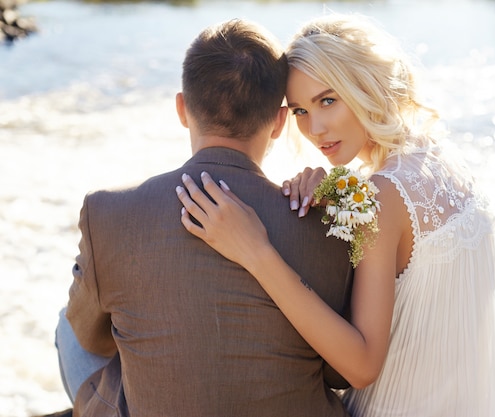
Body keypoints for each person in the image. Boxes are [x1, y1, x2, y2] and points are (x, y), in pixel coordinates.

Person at [176, 13, 495, 417]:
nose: (315, 128)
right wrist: (342, 192)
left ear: (364, 86)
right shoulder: (444, 160)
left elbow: (361, 366)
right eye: (299, 111)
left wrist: (256, 252)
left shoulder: (380, 199)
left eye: (328, 101)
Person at [55, 19, 354, 417]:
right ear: (281, 122)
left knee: (70, 325)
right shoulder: (325, 220)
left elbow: (90, 338)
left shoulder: (108, 212)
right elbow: (338, 372)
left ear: (182, 109)